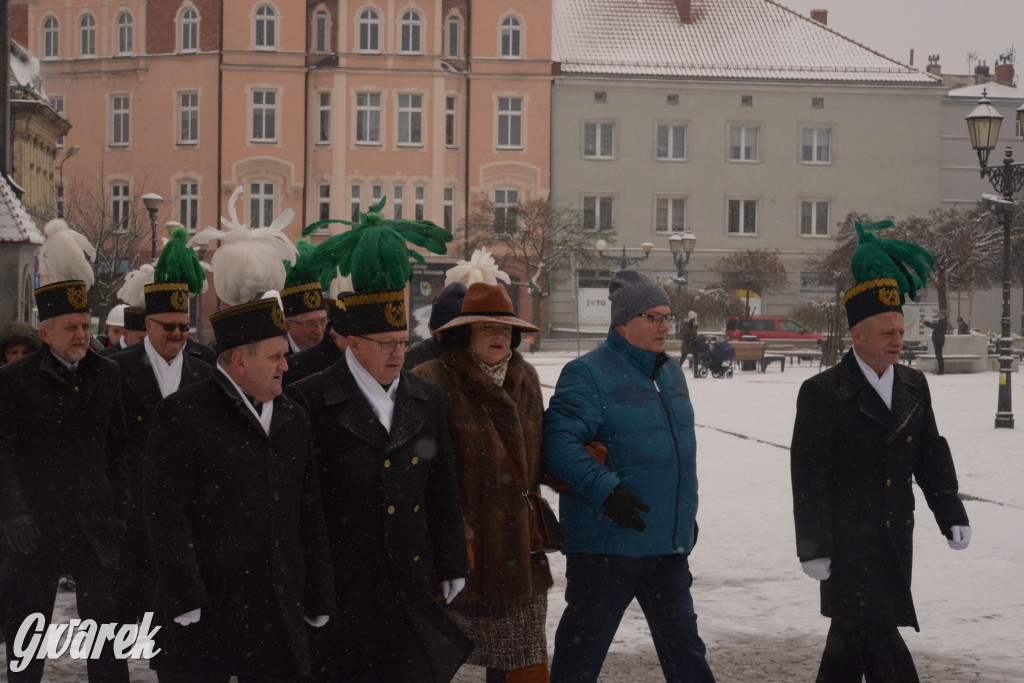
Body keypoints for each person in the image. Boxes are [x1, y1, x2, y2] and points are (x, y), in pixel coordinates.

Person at [286, 200, 471, 681]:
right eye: (385, 343)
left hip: (409, 581)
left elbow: (441, 486)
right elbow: (301, 504)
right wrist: (311, 586)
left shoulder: (425, 397)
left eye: (402, 342)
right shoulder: (310, 399)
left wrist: (451, 559)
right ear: (352, 342)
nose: (397, 353)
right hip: (344, 584)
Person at [791, 220, 971, 682]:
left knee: (852, 644)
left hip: (895, 534)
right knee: (875, 634)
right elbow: (808, 474)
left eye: (900, 329)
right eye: (888, 332)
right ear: (858, 336)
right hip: (847, 542)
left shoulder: (914, 385)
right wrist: (813, 545)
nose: (899, 340)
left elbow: (931, 454)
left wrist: (951, 511)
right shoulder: (823, 392)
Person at [144, 296, 333, 681]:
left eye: (285, 355)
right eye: (275, 356)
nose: (286, 365)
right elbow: (166, 513)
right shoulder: (184, 413)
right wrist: (185, 594)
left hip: (276, 613)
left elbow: (309, 513)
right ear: (239, 362)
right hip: (206, 609)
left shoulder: (293, 417)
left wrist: (318, 591)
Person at [543, 270, 714, 683]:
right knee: (579, 659)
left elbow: (674, 454)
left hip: (665, 545)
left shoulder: (670, 372)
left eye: (666, 316)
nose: (664, 326)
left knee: (686, 654)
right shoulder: (586, 374)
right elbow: (558, 446)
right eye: (652, 317)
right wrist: (609, 492)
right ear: (622, 323)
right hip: (607, 544)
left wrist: (681, 515)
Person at [0, 219, 130, 682]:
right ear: (46, 331)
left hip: (93, 525)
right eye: (71, 327)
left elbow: (118, 452)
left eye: (86, 325)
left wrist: (119, 511)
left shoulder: (106, 374)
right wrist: (14, 513)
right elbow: (4, 455)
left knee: (106, 639)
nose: (81, 335)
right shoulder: (14, 382)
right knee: (26, 639)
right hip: (34, 528)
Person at [414, 282, 552, 682]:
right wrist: (453, 536)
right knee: (435, 662)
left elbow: (537, 457)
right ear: (464, 332)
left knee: (524, 665)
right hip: (461, 558)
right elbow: (417, 472)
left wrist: (579, 460)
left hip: (518, 557)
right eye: (486, 327)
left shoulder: (525, 378)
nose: (498, 336)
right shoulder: (430, 380)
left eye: (505, 328)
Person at [109, 233, 212, 624]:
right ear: (147, 324)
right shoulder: (115, 372)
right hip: (130, 519)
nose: (177, 335)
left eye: (184, 328)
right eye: (168, 326)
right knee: (117, 632)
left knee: (179, 630)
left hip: (187, 522)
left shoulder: (203, 372)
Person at [281, 296, 348, 389]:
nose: (319, 331)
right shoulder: (280, 362)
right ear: (288, 326)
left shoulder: (336, 352)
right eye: (310, 324)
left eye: (323, 321)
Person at [404, 282, 467, 370]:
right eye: (445, 331)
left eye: (459, 330)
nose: (452, 337)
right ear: (431, 329)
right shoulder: (411, 361)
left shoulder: (480, 355)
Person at [922, 309, 947, 374]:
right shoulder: (941, 321)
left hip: (939, 340)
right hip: (937, 340)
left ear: (943, 315)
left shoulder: (943, 322)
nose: (938, 315)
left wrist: (926, 322)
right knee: (938, 355)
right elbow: (935, 326)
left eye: (940, 314)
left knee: (939, 356)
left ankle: (941, 370)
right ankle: (941, 370)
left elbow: (935, 327)